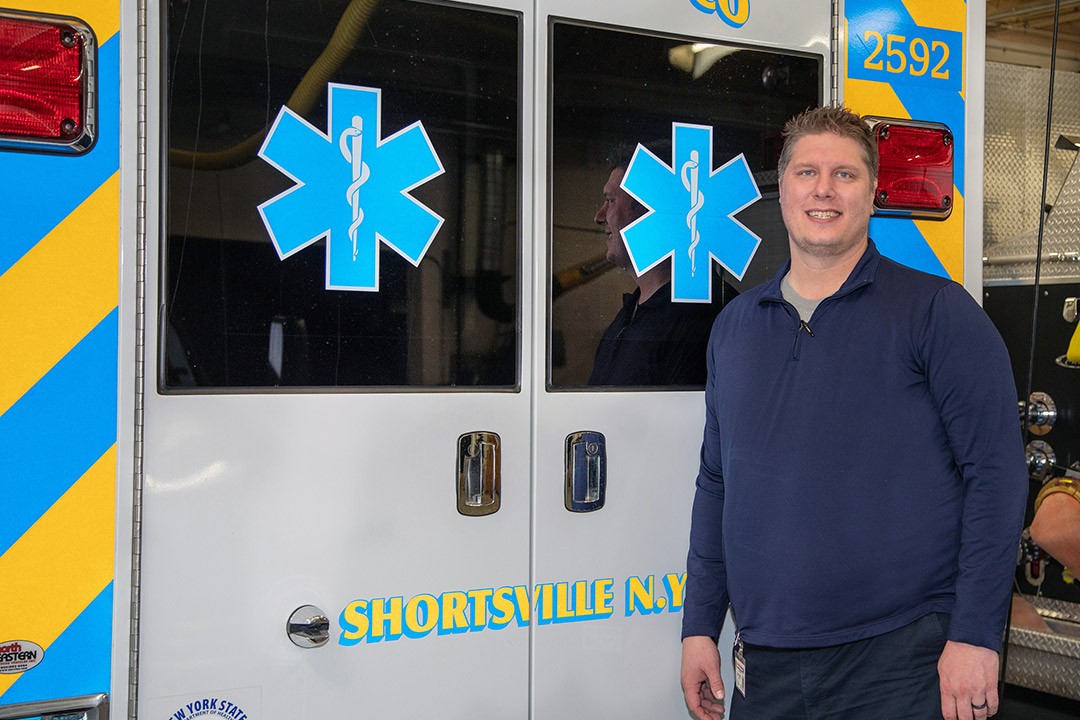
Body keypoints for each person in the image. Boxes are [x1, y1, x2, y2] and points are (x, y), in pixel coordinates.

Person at [680, 106, 1028, 720]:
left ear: (872, 193)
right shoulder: (735, 327)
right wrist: (699, 626)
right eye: (807, 172)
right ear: (781, 188)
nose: (823, 189)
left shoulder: (938, 314)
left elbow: (996, 477)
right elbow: (717, 485)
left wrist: (975, 634)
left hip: (901, 661)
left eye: (845, 174)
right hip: (767, 660)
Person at [588, 143, 722, 386]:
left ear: (651, 213)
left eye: (611, 201)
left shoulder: (702, 320)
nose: (599, 217)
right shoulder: (629, 317)